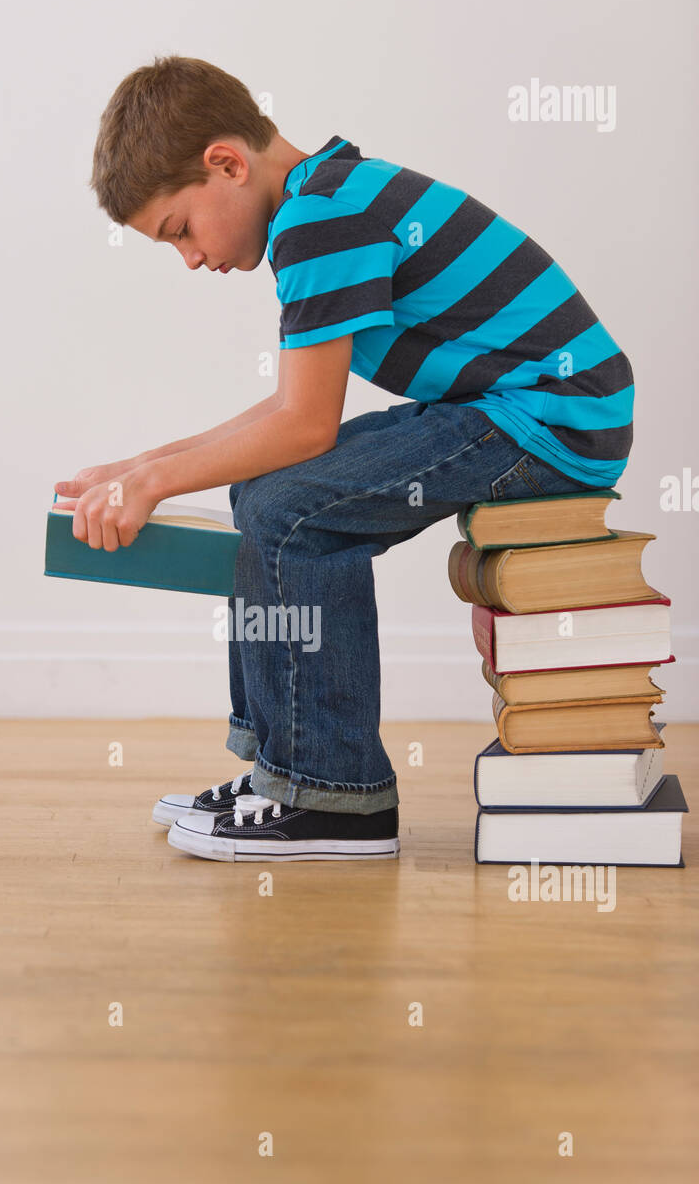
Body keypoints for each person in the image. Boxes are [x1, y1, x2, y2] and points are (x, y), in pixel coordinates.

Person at [54, 55, 634, 863]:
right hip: (506, 408)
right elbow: (285, 417)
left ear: (227, 162)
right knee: (263, 490)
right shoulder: (325, 197)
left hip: (549, 418)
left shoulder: (319, 220)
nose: (189, 258)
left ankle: (338, 799)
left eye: (181, 229)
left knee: (288, 510)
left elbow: (304, 426)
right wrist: (141, 465)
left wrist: (152, 482)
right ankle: (281, 772)